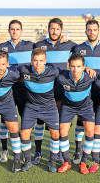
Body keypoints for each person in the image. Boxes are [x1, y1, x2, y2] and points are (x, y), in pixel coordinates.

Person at [33, 18, 77, 164]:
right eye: (52, 28)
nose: (54, 31)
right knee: (39, 120)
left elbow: (85, 50)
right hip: (44, 88)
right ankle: (38, 151)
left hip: (62, 88)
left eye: (57, 29)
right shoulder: (39, 45)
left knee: (60, 121)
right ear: (48, 29)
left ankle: (58, 151)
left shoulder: (69, 45)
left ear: (61, 31)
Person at [0, 20, 34, 163]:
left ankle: (23, 149)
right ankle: (4, 150)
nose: (15, 31)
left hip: (24, 88)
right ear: (9, 31)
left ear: (21, 31)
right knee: (5, 121)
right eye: (12, 29)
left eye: (17, 29)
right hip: (7, 88)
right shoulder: (1, 47)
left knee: (25, 119)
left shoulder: (30, 45)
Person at [71, 19, 100, 164]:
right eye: (89, 30)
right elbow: (72, 64)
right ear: (86, 31)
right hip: (84, 89)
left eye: (94, 30)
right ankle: (77, 151)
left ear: (98, 31)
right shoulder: (78, 48)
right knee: (81, 120)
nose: (92, 32)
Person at [17, 48, 60, 172]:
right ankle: (28, 161)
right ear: (31, 61)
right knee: (24, 133)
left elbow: (70, 73)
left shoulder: (54, 71)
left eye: (41, 61)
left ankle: (52, 161)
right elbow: (6, 69)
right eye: (35, 61)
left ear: (45, 61)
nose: (38, 64)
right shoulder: (23, 70)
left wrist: (87, 69)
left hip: (49, 107)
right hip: (31, 106)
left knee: (55, 134)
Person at [56, 53, 96, 174]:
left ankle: (83, 162)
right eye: (73, 66)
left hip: (85, 107)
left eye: (79, 66)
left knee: (90, 132)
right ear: (68, 66)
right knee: (62, 132)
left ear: (84, 67)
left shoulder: (91, 76)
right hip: (68, 107)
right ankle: (67, 162)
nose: (75, 69)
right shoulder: (61, 76)